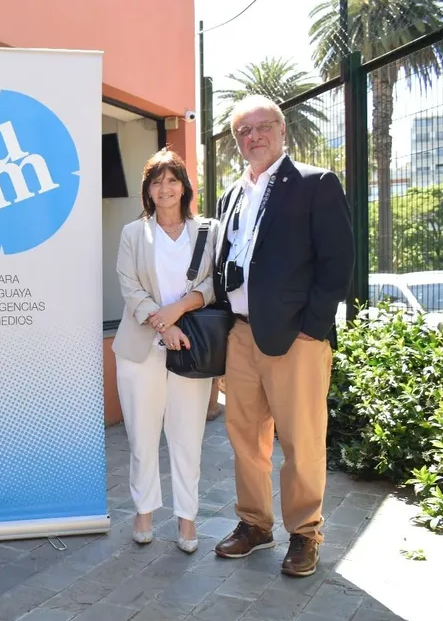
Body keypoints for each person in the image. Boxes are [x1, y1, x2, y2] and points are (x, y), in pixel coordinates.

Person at [212, 95, 354, 577]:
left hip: (296, 339)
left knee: (302, 439)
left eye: (261, 127)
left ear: (282, 130)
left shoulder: (315, 184)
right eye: (242, 132)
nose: (252, 137)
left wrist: (312, 330)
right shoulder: (231, 195)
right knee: (245, 438)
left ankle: (304, 532)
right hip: (242, 336)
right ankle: (254, 524)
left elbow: (338, 264)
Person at [111, 148, 220, 554]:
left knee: (187, 434)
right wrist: (164, 324)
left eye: (172, 180)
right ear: (148, 190)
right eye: (156, 181)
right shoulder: (133, 233)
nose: (165, 188)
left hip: (192, 348)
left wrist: (179, 312)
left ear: (184, 186)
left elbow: (212, 285)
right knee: (141, 435)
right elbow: (129, 286)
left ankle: (187, 518)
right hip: (141, 349)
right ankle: (143, 511)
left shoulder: (207, 231)